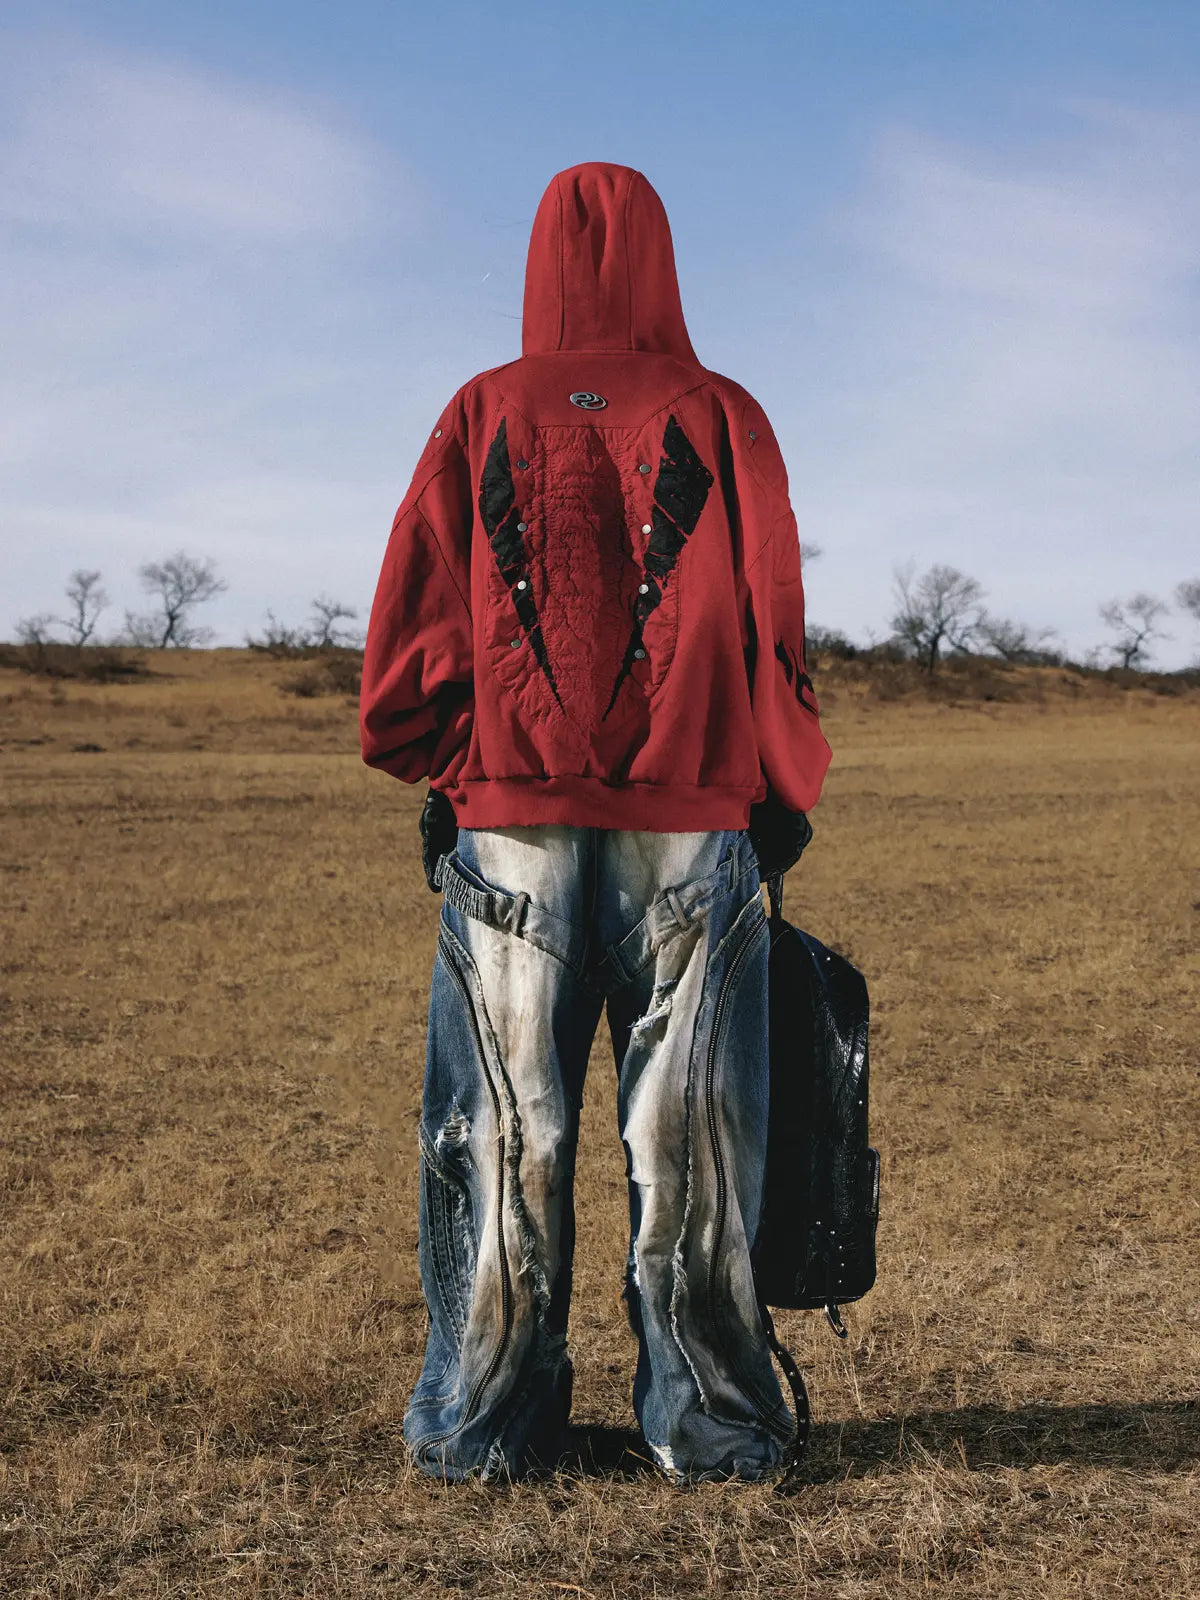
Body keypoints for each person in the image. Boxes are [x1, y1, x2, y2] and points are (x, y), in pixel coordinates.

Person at [359, 162, 831, 1483]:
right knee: (695, 1140)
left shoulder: (479, 411)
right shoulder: (723, 414)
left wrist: (449, 768)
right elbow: (771, 616)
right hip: (691, 829)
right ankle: (715, 1432)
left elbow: (413, 619)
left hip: (509, 828)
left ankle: (482, 1430)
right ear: (663, 260)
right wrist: (778, 785)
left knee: (503, 1136)